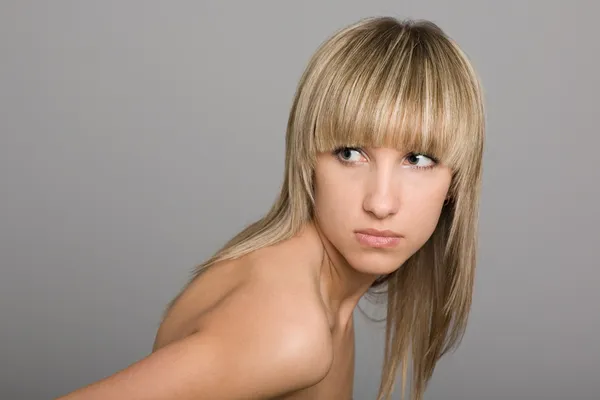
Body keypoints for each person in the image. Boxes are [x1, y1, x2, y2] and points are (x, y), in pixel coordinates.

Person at [57, 15, 485, 400]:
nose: (380, 202)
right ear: (307, 159)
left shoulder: (323, 290)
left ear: (455, 182)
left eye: (419, 160)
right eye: (350, 154)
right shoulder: (292, 329)